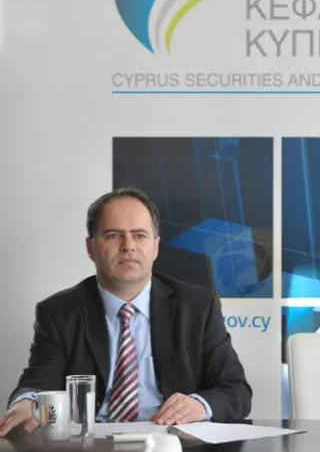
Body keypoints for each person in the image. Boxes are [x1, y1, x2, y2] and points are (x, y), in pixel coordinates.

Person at [0, 187, 252, 437]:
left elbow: (235, 390)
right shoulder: (59, 312)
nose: (128, 246)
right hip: (91, 442)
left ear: (155, 246)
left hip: (172, 440)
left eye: (139, 235)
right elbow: (39, 382)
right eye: (113, 235)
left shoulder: (197, 305)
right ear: (91, 248)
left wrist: (200, 405)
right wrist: (26, 403)